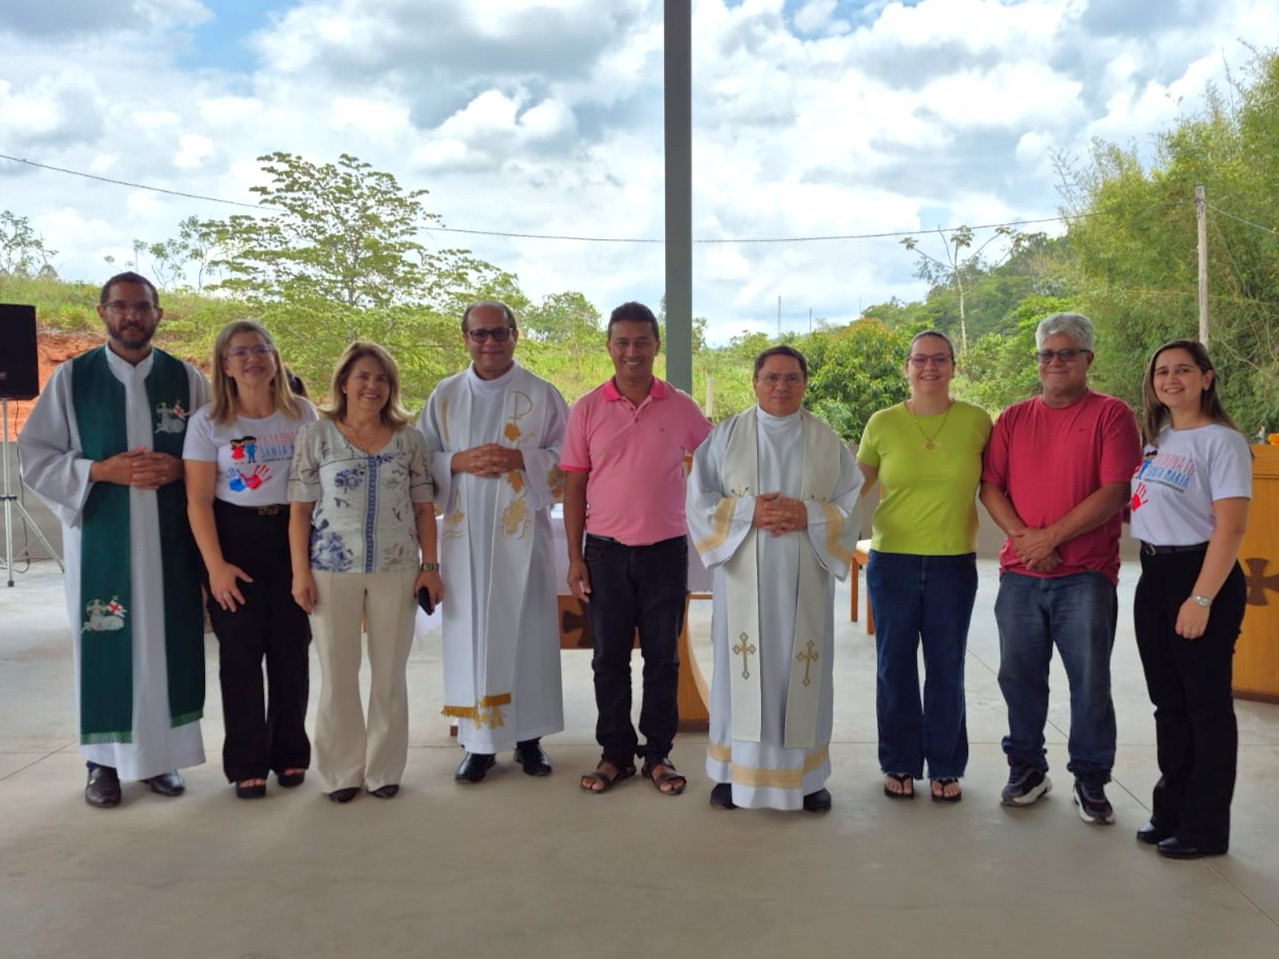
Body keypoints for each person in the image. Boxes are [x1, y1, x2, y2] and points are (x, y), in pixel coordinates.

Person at [19, 271, 209, 808]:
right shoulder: (73, 379)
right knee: (106, 640)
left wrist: (180, 467)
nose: (132, 316)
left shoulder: (187, 380)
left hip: (171, 540)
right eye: (121, 307)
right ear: (102, 312)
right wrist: (100, 472)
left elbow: (214, 449)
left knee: (168, 644)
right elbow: (37, 456)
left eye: (142, 307)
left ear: (158, 314)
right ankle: (101, 764)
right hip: (104, 538)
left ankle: (160, 758)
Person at [979, 312, 1142, 824]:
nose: (1055, 362)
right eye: (1046, 354)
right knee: (1018, 678)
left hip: (1086, 576)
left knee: (1089, 681)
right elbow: (990, 488)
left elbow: (1115, 489)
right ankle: (1027, 769)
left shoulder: (1113, 416)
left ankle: (1091, 780)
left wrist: (1050, 538)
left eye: (1066, 353)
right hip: (1022, 577)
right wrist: (1027, 542)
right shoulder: (1011, 419)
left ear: (1087, 359)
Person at [688, 346, 861, 812]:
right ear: (754, 382)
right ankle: (731, 773)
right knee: (741, 672)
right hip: (743, 575)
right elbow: (698, 498)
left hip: (805, 581)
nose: (780, 386)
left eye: (790, 378)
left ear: (805, 383)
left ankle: (806, 780)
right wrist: (750, 511)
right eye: (770, 378)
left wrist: (807, 513)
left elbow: (852, 506)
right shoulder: (725, 437)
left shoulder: (828, 442)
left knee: (800, 672)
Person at [562, 301, 711, 795]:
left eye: (641, 342)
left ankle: (659, 753)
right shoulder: (586, 408)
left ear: (656, 347)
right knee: (608, 657)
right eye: (622, 342)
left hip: (666, 552)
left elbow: (716, 463)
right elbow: (574, 486)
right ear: (609, 346)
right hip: (604, 553)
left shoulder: (680, 406)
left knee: (663, 658)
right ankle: (615, 754)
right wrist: (575, 556)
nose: (631, 352)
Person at [418, 301, 569, 783]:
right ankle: (478, 744)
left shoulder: (543, 395)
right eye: (479, 333)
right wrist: (456, 463)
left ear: (515, 335)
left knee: (527, 632)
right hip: (464, 541)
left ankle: (529, 740)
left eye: (499, 332)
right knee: (471, 633)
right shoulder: (444, 395)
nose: (489, 342)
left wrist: (519, 458)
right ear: (464, 338)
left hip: (522, 540)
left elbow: (568, 459)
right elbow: (422, 462)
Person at [288, 342, 442, 803]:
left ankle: (383, 769)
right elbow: (298, 512)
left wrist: (429, 567)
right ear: (343, 382)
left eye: (381, 379)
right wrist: (300, 574)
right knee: (337, 672)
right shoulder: (316, 437)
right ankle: (340, 772)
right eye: (363, 377)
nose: (372, 386)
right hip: (331, 569)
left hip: (396, 569)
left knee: (389, 673)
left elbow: (423, 510)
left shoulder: (409, 440)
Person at [184, 321, 317, 799]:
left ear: (276, 358)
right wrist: (215, 567)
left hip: (292, 539)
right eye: (239, 352)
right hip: (234, 540)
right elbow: (198, 500)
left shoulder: (302, 414)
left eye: (261, 349)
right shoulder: (209, 423)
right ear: (224, 365)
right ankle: (246, 761)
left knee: (291, 651)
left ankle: (291, 754)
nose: (252, 358)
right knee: (240, 656)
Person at [858, 330, 992, 803]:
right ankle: (898, 762)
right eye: (919, 360)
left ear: (954, 366)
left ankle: (945, 765)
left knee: (945, 666)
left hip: (953, 562)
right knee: (893, 666)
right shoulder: (882, 423)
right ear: (907, 368)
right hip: (891, 560)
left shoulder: (978, 421)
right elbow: (851, 486)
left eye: (939, 359)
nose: (929, 367)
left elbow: (995, 486)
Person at [1130, 340, 1251, 859]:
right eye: (1162, 371)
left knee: (1206, 709)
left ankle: (1205, 829)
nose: (1171, 379)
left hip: (1201, 574)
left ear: (1207, 377)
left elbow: (1232, 527)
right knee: (1168, 706)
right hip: (1154, 572)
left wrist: (1200, 599)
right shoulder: (1160, 437)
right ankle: (1171, 812)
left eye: (1183, 370)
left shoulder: (1221, 442)